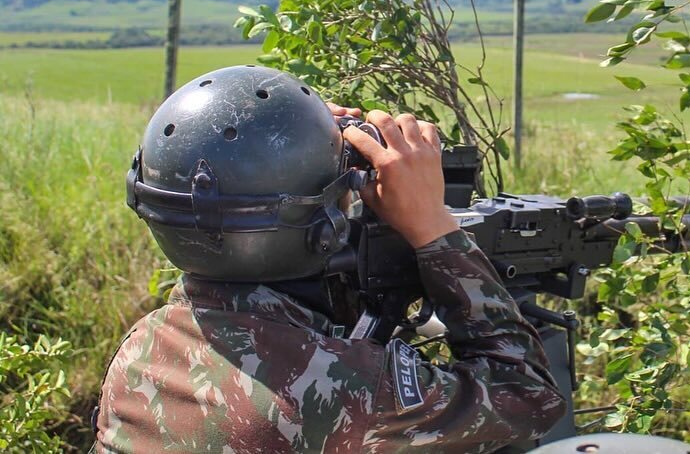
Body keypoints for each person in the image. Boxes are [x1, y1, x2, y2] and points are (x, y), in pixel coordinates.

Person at [94, 65, 566, 453]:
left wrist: (305, 136)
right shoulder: (348, 386)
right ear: (321, 228)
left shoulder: (144, 349)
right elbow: (529, 397)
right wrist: (433, 228)